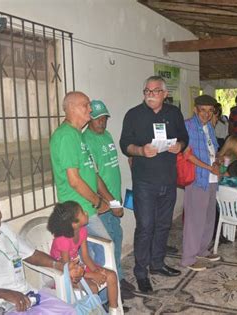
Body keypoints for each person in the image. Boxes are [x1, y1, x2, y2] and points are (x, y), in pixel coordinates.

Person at [0, 190, 83, 314]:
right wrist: (4, 293)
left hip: (29, 296)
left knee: (70, 312)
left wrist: (61, 266)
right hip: (1, 306)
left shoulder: (5, 230)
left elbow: (32, 255)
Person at [119, 76, 189, 293]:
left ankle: (157, 264)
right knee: (145, 227)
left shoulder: (173, 113)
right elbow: (124, 144)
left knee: (163, 225)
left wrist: (179, 146)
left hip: (168, 181)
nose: (150, 94)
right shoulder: (133, 114)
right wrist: (140, 151)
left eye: (155, 91)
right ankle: (141, 272)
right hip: (145, 183)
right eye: (147, 91)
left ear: (165, 94)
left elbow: (184, 137)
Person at [83, 100, 135, 298]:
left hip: (114, 201)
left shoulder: (107, 135)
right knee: (105, 248)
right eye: (98, 119)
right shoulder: (85, 141)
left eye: (104, 118)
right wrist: (112, 203)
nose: (102, 122)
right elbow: (94, 179)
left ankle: (118, 279)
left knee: (116, 240)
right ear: (89, 119)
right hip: (103, 206)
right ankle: (110, 291)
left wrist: (117, 200)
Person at [50, 91, 113, 240]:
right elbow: (74, 180)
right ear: (71, 108)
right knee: (105, 252)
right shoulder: (67, 136)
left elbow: (89, 171)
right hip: (77, 211)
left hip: (85, 208)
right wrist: (98, 202)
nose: (90, 109)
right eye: (85, 105)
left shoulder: (77, 134)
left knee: (94, 255)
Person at [47, 201, 120, 314]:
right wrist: (93, 275)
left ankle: (114, 310)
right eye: (82, 212)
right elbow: (67, 270)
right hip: (64, 274)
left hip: (78, 267)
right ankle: (95, 312)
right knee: (93, 288)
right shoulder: (63, 240)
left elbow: (85, 256)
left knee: (111, 275)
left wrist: (96, 270)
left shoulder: (82, 231)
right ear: (74, 223)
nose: (86, 212)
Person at [181, 95, 221, 272]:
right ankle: (188, 258)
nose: (206, 114)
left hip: (212, 179)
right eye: (203, 110)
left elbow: (214, 150)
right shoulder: (188, 126)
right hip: (197, 178)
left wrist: (217, 163)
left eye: (210, 111)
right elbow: (187, 155)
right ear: (195, 110)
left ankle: (202, 250)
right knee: (194, 219)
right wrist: (208, 167)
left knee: (208, 217)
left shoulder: (209, 127)